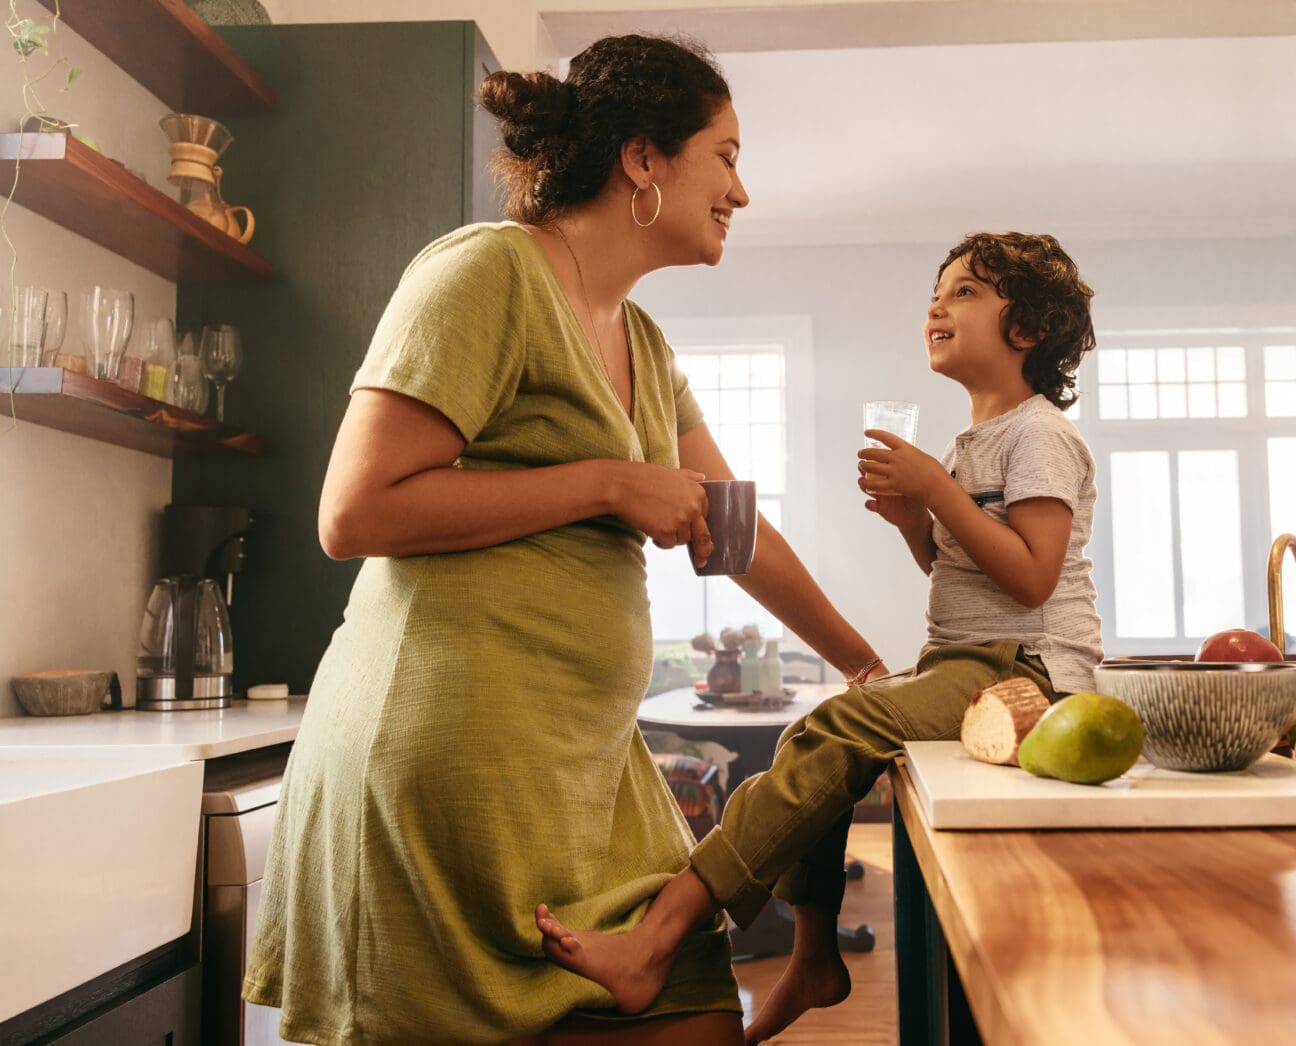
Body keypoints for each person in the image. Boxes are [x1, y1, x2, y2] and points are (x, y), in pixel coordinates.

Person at [242, 35, 887, 1046]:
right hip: (444, 764)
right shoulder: (485, 272)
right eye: (723, 156)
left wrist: (859, 658)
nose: (741, 191)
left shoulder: (642, 341)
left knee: (697, 1017)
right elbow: (353, 511)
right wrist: (603, 481)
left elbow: (733, 529)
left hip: (580, 770)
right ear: (642, 158)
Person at [537, 231, 1105, 1044]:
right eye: (936, 292)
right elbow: (971, 580)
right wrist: (919, 523)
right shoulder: (969, 442)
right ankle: (812, 955)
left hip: (1030, 674)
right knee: (816, 728)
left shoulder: (1039, 434)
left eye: (968, 291)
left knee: (840, 723)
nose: (937, 305)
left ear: (1029, 329)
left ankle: (659, 938)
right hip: (967, 657)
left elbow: (1033, 580)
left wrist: (936, 493)